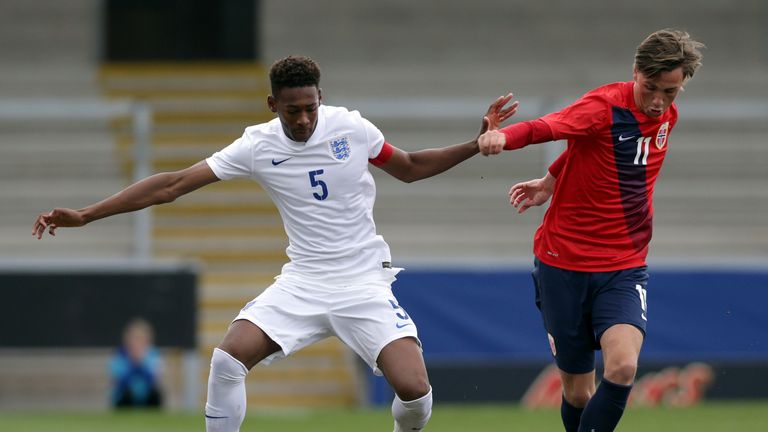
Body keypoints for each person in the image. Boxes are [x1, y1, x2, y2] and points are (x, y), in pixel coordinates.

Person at [33, 55, 518, 432]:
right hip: (303, 282)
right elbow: (172, 184)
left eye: (310, 107)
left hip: (362, 283)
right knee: (227, 359)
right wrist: (87, 214)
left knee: (414, 392)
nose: (304, 119)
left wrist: (474, 144)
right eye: (292, 111)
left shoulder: (350, 126)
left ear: (321, 98)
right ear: (272, 106)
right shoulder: (257, 144)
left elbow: (409, 167)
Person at [477, 29, 704, 431]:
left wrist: (550, 179)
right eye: (650, 88)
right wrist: (500, 137)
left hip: (624, 264)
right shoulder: (602, 106)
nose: (657, 102)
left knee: (622, 367)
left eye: (670, 92)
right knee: (578, 394)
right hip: (563, 263)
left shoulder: (668, 115)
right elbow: (547, 128)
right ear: (635, 71)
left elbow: (597, 150)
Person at [109, 318, 164, 408]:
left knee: (155, 394)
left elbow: (152, 380)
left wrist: (140, 363)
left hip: (146, 396)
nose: (137, 343)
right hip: (126, 397)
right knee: (125, 394)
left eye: (140, 340)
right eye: (134, 339)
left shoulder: (153, 355)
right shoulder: (119, 356)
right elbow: (120, 382)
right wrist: (133, 364)